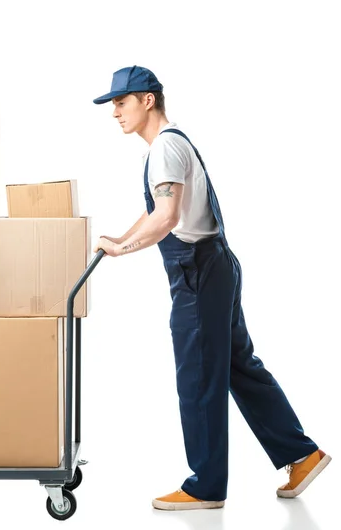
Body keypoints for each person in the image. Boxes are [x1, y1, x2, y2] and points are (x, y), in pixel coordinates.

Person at [92, 65, 331, 511]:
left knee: (199, 376)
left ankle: (206, 486)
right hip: (216, 264)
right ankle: (302, 455)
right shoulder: (175, 143)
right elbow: (158, 214)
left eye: (121, 102)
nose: (114, 112)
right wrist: (120, 240)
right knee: (238, 365)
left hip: (198, 274)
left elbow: (165, 219)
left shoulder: (164, 148)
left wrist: (124, 251)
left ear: (147, 100)